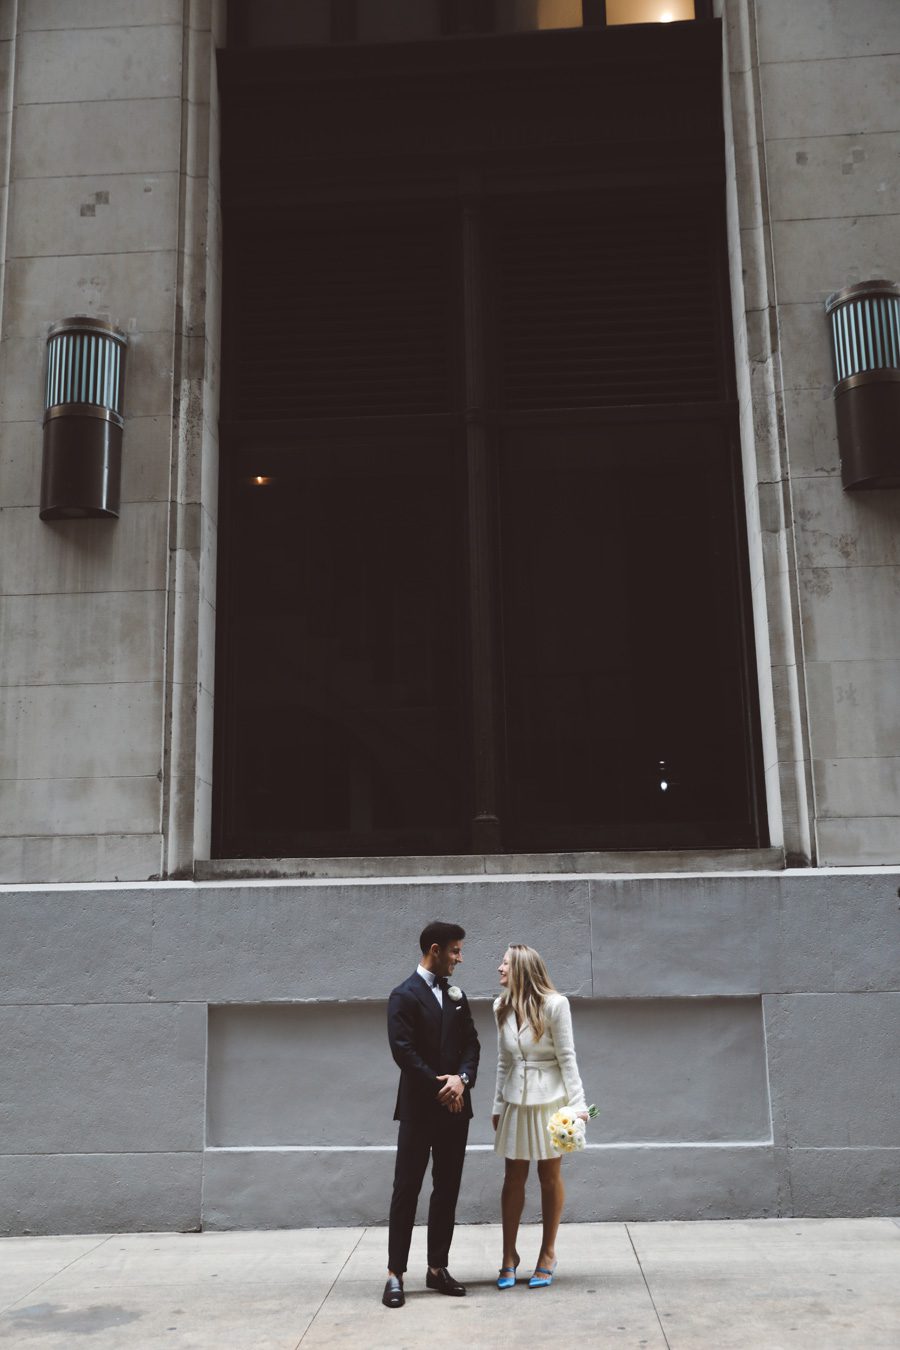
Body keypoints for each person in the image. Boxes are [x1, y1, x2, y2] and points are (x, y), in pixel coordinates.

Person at [382, 920, 480, 1309]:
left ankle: (437, 1268)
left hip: (457, 1109)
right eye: (455, 950)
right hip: (420, 1109)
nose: (460, 957)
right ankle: (395, 1273)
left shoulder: (457, 996)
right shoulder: (402, 995)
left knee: (447, 1189)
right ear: (434, 950)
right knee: (406, 1189)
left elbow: (472, 1043)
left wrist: (463, 1079)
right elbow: (403, 1051)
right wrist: (442, 1087)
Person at [491, 944, 588, 1290]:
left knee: (549, 1174)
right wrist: (497, 1106)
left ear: (520, 969)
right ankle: (508, 1255)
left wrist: (578, 1108)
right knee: (512, 1177)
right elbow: (503, 1061)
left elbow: (568, 1057)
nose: (499, 969)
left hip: (551, 1099)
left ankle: (548, 1253)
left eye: (504, 964)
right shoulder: (500, 1006)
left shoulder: (556, 1005)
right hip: (515, 1098)